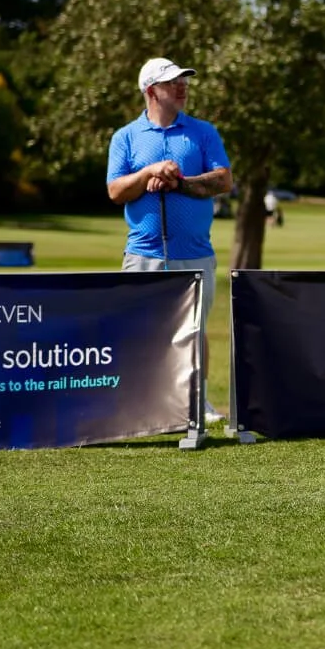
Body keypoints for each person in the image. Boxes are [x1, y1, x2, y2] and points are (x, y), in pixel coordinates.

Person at [106, 57, 233, 424]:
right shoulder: (126, 137)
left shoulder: (203, 132)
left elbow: (223, 180)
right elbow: (116, 191)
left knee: (195, 329)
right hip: (143, 253)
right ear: (151, 91)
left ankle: (198, 401)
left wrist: (178, 182)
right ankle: (139, 403)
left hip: (195, 253)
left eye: (184, 81)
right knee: (140, 329)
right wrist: (148, 172)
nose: (182, 87)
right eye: (172, 82)